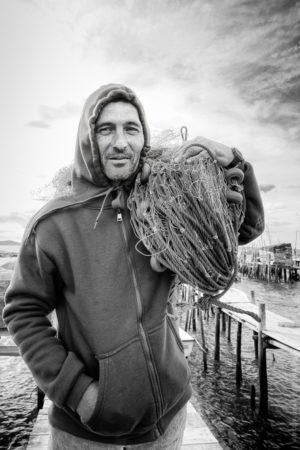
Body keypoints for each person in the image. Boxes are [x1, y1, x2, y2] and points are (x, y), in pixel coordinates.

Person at [3, 84, 264, 449]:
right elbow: (23, 312)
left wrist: (237, 167)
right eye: (106, 129)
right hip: (87, 432)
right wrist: (79, 394)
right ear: (88, 138)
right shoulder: (52, 223)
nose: (120, 141)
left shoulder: (165, 202)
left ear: (144, 136)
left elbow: (245, 231)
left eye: (131, 128)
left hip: (168, 420)